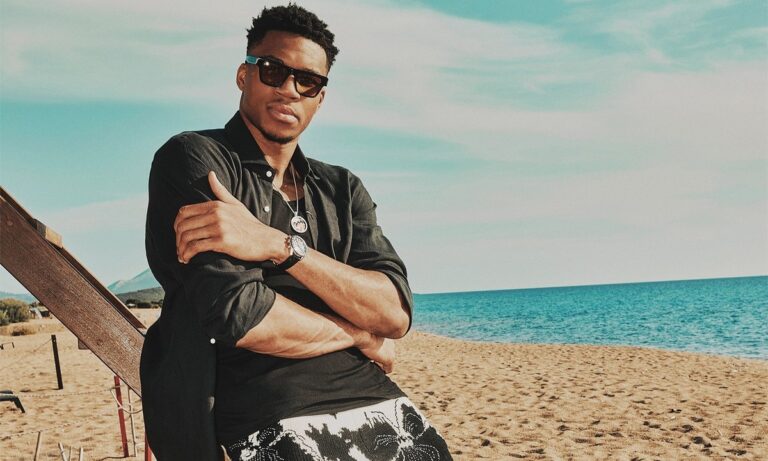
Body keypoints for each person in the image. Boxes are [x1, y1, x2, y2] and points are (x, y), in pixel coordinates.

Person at [141, 4, 453, 460]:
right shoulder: (196, 159)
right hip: (256, 406)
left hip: (371, 397)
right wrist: (360, 335)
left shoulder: (342, 188)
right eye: (273, 70)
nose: (289, 89)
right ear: (244, 76)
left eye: (307, 81)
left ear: (320, 98)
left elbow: (394, 313)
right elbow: (241, 315)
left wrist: (279, 245)